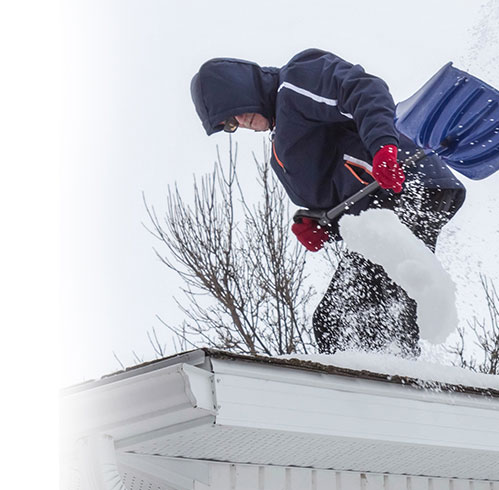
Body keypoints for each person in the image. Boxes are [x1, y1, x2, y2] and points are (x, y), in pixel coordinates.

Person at [189, 48, 466, 356]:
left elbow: (364, 89)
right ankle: (366, 391)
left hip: (408, 185)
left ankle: (404, 380)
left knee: (387, 301)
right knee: (331, 321)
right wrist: (321, 224)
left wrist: (383, 147)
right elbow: (347, 193)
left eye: (234, 108)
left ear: (241, 86)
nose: (241, 121)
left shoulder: (295, 81)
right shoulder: (283, 152)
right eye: (231, 124)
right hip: (378, 215)